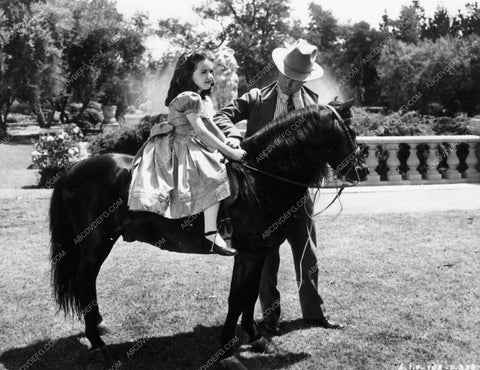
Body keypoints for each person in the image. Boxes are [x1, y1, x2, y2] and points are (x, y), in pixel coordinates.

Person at [214, 39, 344, 334]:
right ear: (279, 72)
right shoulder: (258, 96)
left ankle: (314, 314)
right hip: (263, 197)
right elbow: (222, 115)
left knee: (306, 253)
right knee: (265, 257)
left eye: (297, 79)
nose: (291, 84)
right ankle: (269, 319)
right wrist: (233, 136)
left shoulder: (314, 104)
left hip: (298, 193)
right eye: (287, 77)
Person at [128, 50, 247, 256]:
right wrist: (229, 152)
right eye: (203, 72)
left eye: (211, 71)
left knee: (225, 166)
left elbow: (211, 126)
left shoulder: (202, 99)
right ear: (187, 76)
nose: (210, 76)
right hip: (183, 145)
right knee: (212, 174)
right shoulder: (189, 98)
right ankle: (210, 231)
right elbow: (200, 130)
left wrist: (228, 141)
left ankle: (226, 221)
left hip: (193, 142)